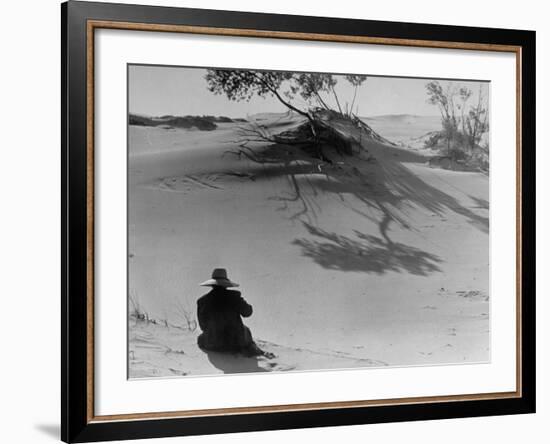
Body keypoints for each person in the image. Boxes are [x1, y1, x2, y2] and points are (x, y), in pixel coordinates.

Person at [196, 268, 264, 356]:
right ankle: (252, 350)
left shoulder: (202, 301)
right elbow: (248, 312)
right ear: (226, 284)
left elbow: (203, 325)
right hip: (235, 343)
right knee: (246, 330)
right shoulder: (234, 297)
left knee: (200, 338)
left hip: (212, 343)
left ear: (212, 285)